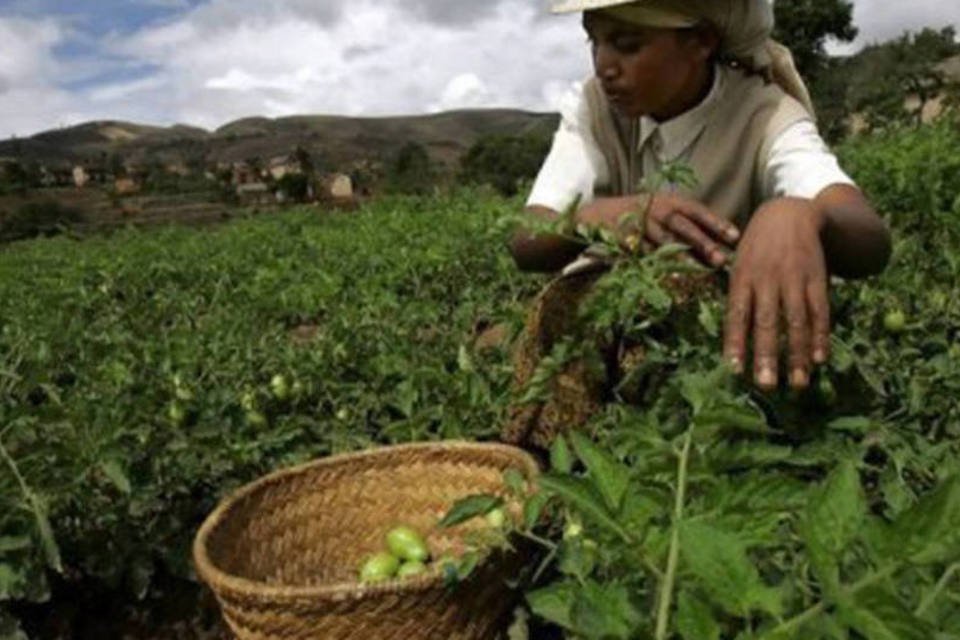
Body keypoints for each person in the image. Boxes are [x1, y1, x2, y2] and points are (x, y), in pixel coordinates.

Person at [502, 0, 891, 449]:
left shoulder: (764, 116)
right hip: (608, 339)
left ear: (701, 42)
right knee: (576, 301)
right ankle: (557, 456)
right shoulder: (594, 108)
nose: (605, 65)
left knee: (680, 294)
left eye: (627, 44)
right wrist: (597, 217)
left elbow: (867, 237)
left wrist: (801, 214)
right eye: (595, 40)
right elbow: (528, 240)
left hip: (719, 354)